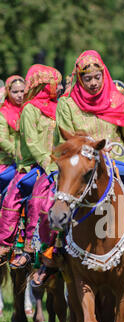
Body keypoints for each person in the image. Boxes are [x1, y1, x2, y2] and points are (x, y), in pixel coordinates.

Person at [32, 50, 124, 286]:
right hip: (81, 164)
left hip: (119, 162)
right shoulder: (67, 104)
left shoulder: (117, 100)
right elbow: (67, 140)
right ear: (79, 79)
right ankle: (51, 254)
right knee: (46, 197)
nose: (92, 83)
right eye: (87, 78)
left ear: (104, 75)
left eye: (96, 77)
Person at [0, 65, 62, 268]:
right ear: (43, 86)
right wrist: (47, 163)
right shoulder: (30, 109)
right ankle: (16, 247)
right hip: (33, 165)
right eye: (55, 84)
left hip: (58, 164)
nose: (59, 87)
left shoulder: (60, 107)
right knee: (15, 197)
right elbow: (32, 141)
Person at [0, 75, 25, 207]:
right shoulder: (2, 112)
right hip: (6, 162)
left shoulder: (28, 110)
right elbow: (2, 140)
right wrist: (17, 154)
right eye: (15, 92)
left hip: (24, 162)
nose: (19, 95)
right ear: (8, 92)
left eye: (22, 91)